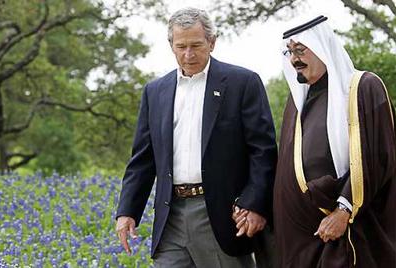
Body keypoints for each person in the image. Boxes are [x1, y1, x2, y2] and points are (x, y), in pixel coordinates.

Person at [115, 7, 278, 267]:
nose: (188, 55)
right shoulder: (155, 91)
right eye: (181, 46)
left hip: (222, 216)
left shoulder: (242, 83)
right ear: (171, 45)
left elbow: (263, 151)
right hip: (171, 216)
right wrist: (127, 211)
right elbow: (143, 159)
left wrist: (255, 203)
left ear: (212, 42)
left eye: (196, 45)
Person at [272, 15, 396, 267]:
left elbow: (377, 157)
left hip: (346, 230)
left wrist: (344, 210)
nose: (294, 59)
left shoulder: (362, 88)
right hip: (302, 239)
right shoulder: (296, 102)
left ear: (323, 47)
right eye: (289, 52)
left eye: (300, 50)